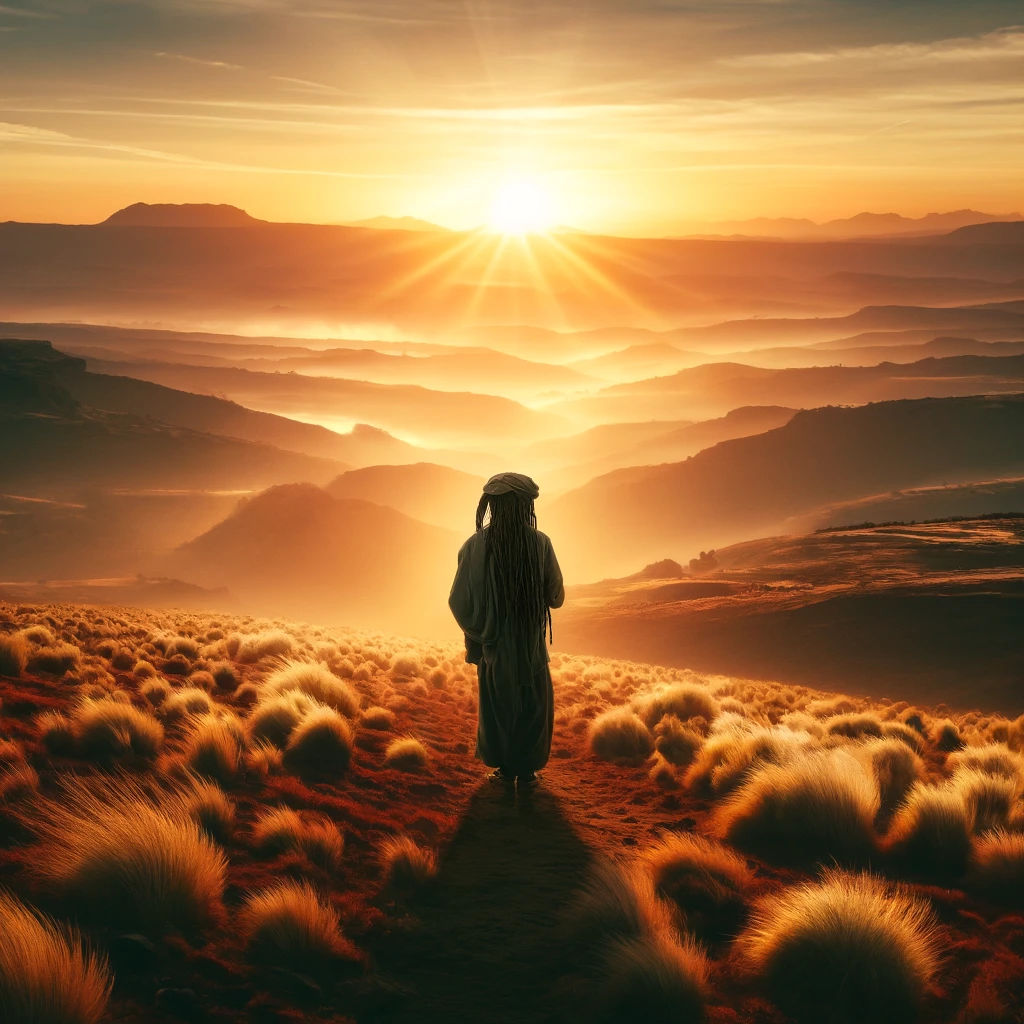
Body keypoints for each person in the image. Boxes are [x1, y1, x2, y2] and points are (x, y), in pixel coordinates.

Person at [448, 471, 564, 786]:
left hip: (492, 648)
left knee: (497, 708)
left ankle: (503, 768)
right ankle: (525, 771)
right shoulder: (540, 543)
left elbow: (457, 601)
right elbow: (556, 598)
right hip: (530, 648)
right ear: (526, 504)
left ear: (492, 505)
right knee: (532, 707)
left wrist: (481, 631)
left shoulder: (473, 546)